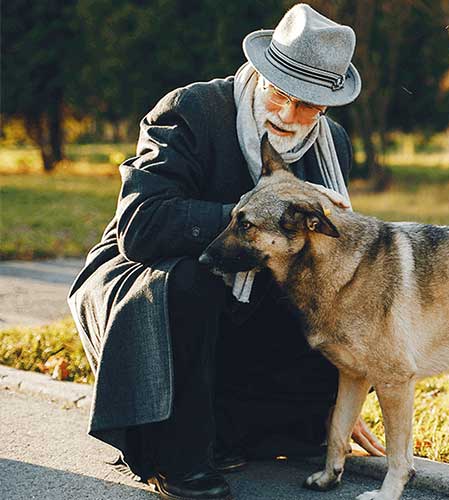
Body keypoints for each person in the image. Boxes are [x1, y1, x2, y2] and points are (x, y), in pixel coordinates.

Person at [67, 4, 384, 499]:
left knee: (339, 291)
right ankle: (177, 455)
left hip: (255, 289)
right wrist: (251, 217)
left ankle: (259, 429)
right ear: (261, 73)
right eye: (280, 94)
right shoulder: (190, 110)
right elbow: (140, 226)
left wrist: (342, 402)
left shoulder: (332, 146)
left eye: (307, 107)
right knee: (194, 281)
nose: (287, 115)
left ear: (326, 107)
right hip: (152, 273)